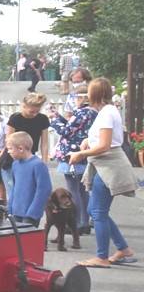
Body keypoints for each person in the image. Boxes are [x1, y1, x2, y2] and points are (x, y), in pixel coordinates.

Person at [69, 77, 138, 267]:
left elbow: (106, 146)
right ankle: (123, 249)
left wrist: (81, 153)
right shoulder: (107, 111)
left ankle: (101, 257)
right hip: (104, 165)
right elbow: (103, 140)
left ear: (95, 94)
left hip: (109, 165)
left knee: (98, 212)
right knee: (95, 210)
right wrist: (87, 142)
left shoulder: (107, 113)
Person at [49, 82, 96, 235]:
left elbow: (66, 131)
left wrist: (53, 120)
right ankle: (84, 221)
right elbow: (73, 127)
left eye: (75, 97)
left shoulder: (81, 113)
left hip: (73, 155)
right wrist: (59, 117)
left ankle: (77, 222)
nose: (73, 100)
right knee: (83, 190)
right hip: (84, 154)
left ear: (82, 98)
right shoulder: (92, 112)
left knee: (73, 190)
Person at [0, 92, 50, 200]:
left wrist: (44, 162)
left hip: (30, 158)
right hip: (11, 160)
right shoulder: (15, 118)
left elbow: (44, 143)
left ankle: (25, 215)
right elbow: (8, 142)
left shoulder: (42, 119)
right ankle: (13, 214)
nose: (34, 114)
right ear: (23, 106)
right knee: (14, 192)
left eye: (37, 111)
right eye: (31, 111)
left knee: (28, 191)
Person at [6, 131, 52, 225]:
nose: (8, 151)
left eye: (10, 149)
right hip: (16, 212)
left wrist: (33, 213)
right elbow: (14, 188)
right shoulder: (15, 164)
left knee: (27, 239)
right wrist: (10, 208)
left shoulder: (38, 165)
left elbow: (44, 190)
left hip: (30, 214)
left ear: (21, 148)